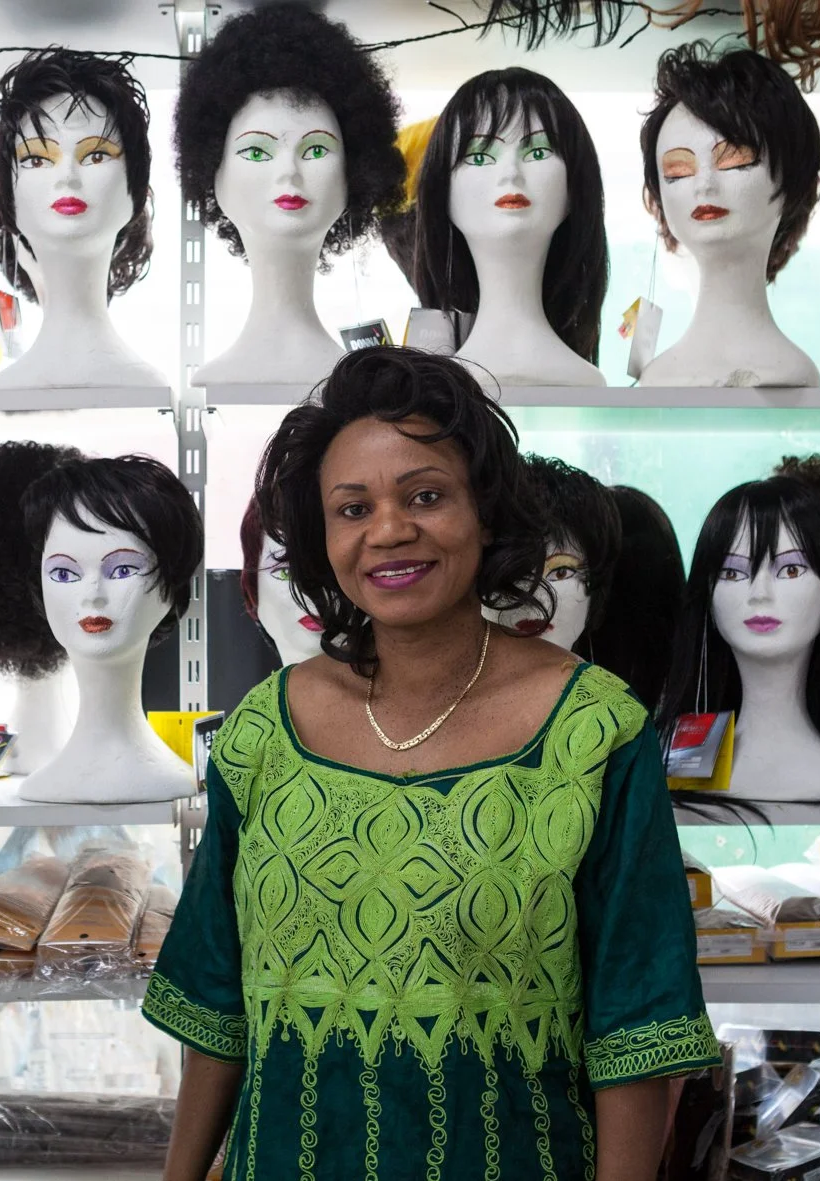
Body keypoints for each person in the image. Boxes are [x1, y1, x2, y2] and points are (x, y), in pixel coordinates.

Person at [143, 346, 717, 1181]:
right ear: (322, 536)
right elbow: (215, 1006)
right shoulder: (265, 730)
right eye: (352, 507)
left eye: (425, 495)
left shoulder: (592, 734)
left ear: (484, 511)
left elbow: (640, 1031)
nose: (388, 530)